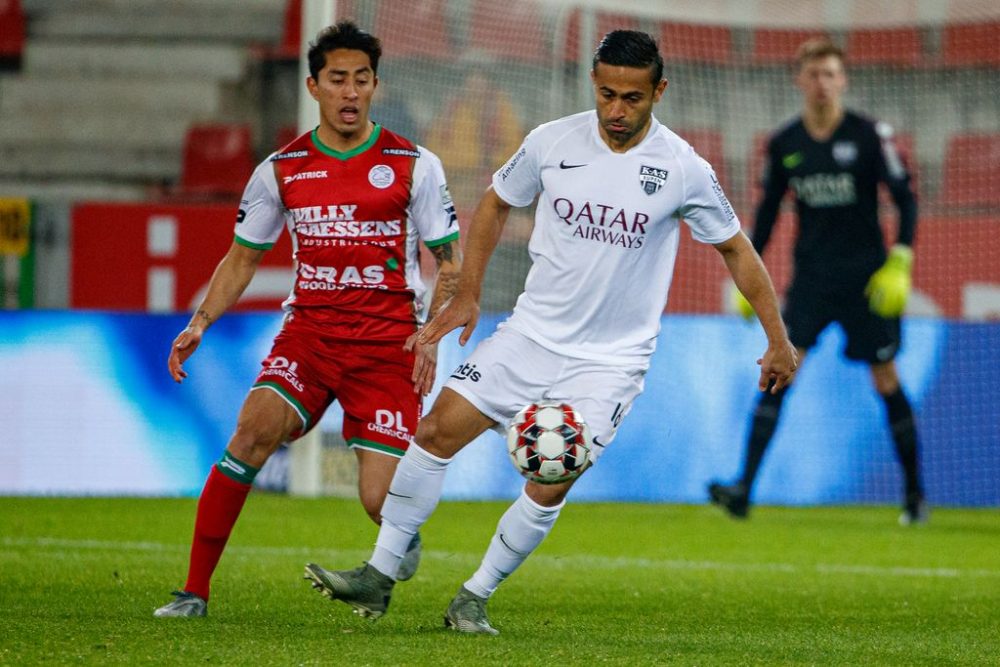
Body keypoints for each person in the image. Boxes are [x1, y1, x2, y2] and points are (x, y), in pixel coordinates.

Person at [302, 30, 797, 634]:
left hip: (610, 362)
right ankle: (379, 576)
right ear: (594, 82)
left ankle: (474, 595)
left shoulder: (683, 168)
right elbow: (494, 202)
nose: (617, 111)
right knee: (433, 432)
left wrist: (777, 339)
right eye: (607, 94)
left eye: (633, 99)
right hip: (531, 334)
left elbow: (737, 251)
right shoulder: (549, 142)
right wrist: (471, 291)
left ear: (659, 92)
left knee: (550, 474)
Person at [153, 21, 463, 617]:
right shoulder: (282, 169)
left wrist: (430, 334)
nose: (350, 93)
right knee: (249, 435)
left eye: (362, 80)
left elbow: (449, 261)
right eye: (337, 80)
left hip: (385, 350)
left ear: (377, 85)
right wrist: (200, 322)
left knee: (379, 500)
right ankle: (193, 591)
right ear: (314, 86)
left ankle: (397, 536)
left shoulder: (413, 164)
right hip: (310, 340)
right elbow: (243, 256)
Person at [708, 38, 925, 525]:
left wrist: (901, 261)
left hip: (867, 282)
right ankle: (743, 488)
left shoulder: (870, 135)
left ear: (842, 80)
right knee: (780, 370)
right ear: (799, 80)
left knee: (885, 376)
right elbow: (766, 213)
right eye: (814, 74)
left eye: (830, 74)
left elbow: (905, 199)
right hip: (811, 280)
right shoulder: (786, 143)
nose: (822, 83)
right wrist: (749, 269)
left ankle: (914, 497)